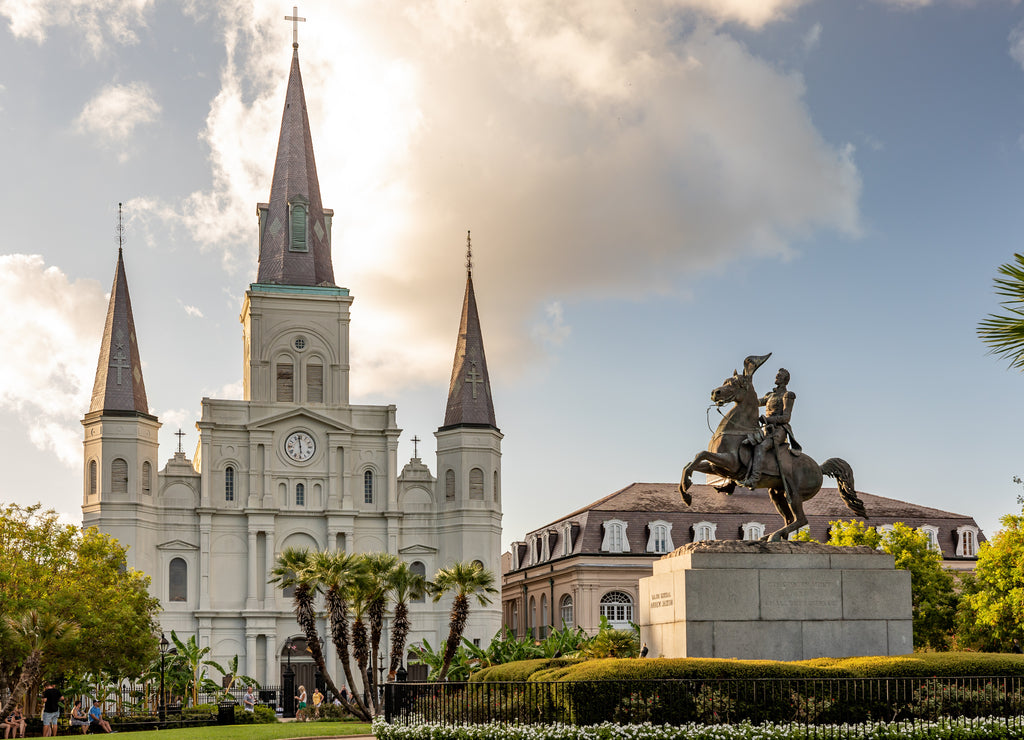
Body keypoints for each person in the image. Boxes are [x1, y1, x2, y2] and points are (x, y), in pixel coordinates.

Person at [741, 368, 801, 493]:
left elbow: (786, 417)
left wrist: (767, 420)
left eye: (780, 375)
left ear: (785, 379)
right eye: (777, 374)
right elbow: (754, 403)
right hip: (766, 430)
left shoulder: (788, 395)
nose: (776, 376)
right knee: (747, 442)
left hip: (780, 430)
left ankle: (754, 478)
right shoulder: (770, 395)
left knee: (761, 447)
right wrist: (744, 389)